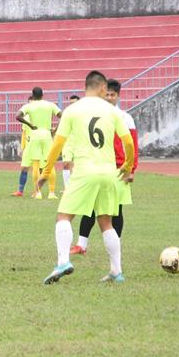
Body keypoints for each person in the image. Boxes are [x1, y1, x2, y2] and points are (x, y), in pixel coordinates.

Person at [38, 70, 134, 284]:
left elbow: (58, 144)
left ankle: (63, 261)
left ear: (86, 86)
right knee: (106, 222)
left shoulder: (73, 110)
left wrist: (46, 172)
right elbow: (128, 143)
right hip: (109, 173)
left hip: (84, 172)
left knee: (63, 217)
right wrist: (127, 166)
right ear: (102, 87)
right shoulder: (112, 111)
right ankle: (116, 272)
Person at [70, 80, 137, 255]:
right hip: (97, 166)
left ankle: (116, 245)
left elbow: (133, 146)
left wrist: (131, 169)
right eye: (106, 94)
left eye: (112, 95)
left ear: (118, 96)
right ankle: (81, 245)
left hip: (119, 169)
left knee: (117, 209)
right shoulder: (95, 115)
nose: (109, 98)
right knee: (90, 206)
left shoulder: (125, 118)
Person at [15, 87, 61, 199]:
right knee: (49, 164)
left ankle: (38, 192)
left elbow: (18, 116)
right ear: (43, 95)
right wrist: (55, 129)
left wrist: (30, 125)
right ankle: (51, 193)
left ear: (33, 95)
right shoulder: (50, 105)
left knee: (36, 164)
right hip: (47, 135)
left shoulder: (29, 106)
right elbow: (63, 116)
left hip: (35, 135)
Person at [11, 94, 33, 197]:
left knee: (42, 169)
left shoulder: (41, 115)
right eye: (29, 103)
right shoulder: (26, 117)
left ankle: (39, 191)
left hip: (39, 145)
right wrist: (22, 147)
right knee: (24, 168)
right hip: (29, 146)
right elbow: (24, 133)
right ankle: (20, 191)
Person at [61, 95, 80, 190]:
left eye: (75, 103)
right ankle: (67, 188)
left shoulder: (84, 113)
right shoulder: (66, 113)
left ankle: (78, 187)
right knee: (66, 164)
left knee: (79, 166)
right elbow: (62, 125)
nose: (73, 105)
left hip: (80, 141)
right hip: (68, 142)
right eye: (71, 103)